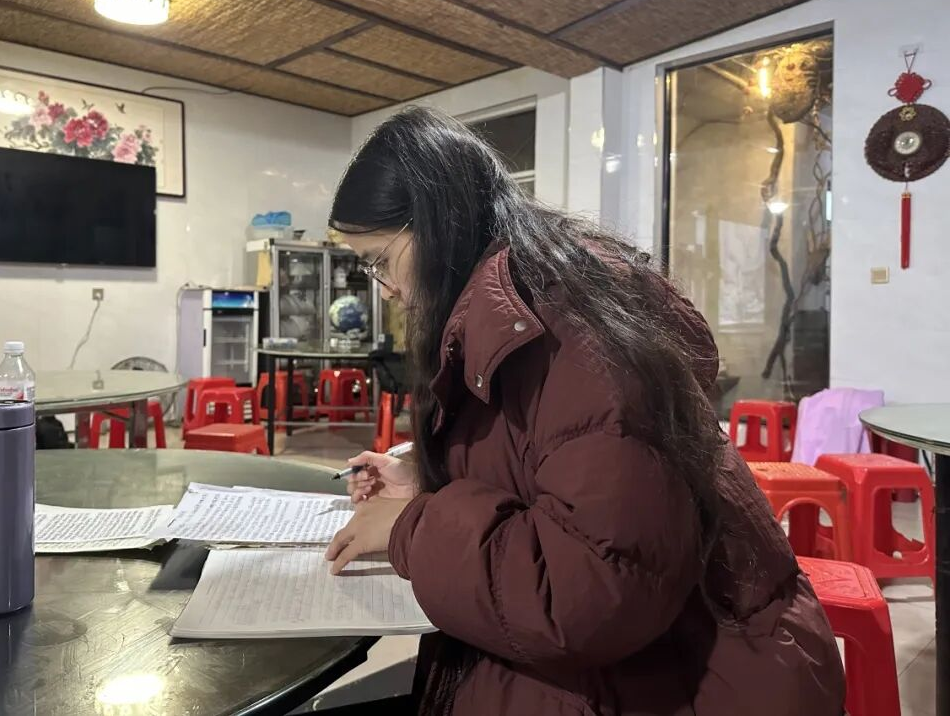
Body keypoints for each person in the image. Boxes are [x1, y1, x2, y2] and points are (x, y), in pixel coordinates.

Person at [323, 106, 845, 716]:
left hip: (690, 678)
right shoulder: (529, 295)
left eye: (380, 260)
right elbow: (553, 461)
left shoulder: (572, 332)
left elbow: (590, 591)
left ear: (437, 224)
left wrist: (411, 527)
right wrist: (427, 476)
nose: (385, 288)